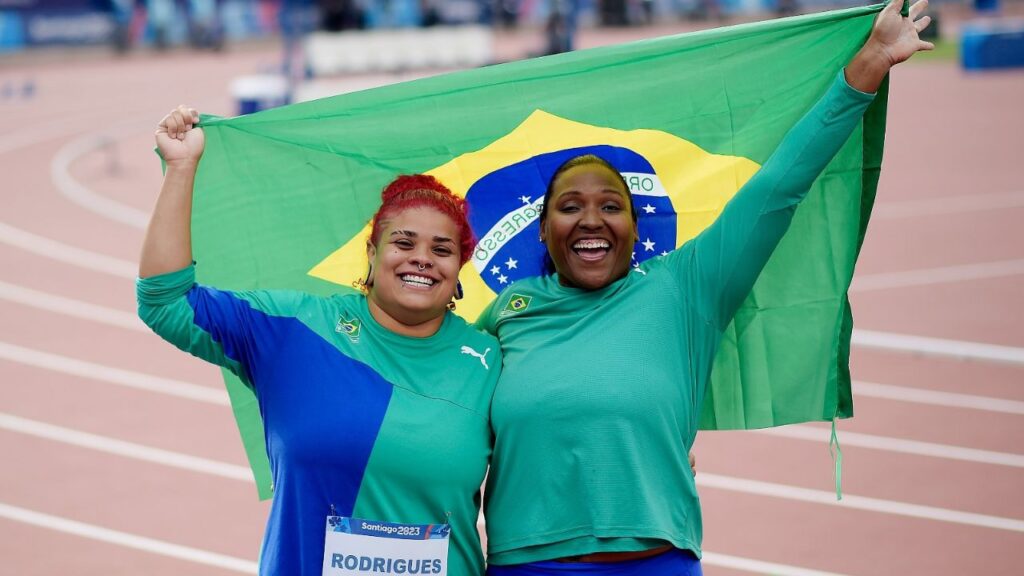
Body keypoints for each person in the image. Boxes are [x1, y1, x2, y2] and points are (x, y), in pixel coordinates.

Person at [477, 1, 934, 574]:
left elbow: (778, 189)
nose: (591, 220)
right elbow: (435, 407)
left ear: (635, 229)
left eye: (611, 206)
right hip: (529, 564)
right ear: (544, 230)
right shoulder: (505, 313)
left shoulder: (684, 286)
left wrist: (868, 65)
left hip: (657, 561)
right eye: (570, 207)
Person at [137, 107, 500, 576]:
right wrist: (181, 168)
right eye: (404, 243)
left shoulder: (491, 362)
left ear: (459, 269)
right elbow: (166, 303)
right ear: (372, 253)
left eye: (442, 250)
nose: (422, 259)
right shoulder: (294, 329)